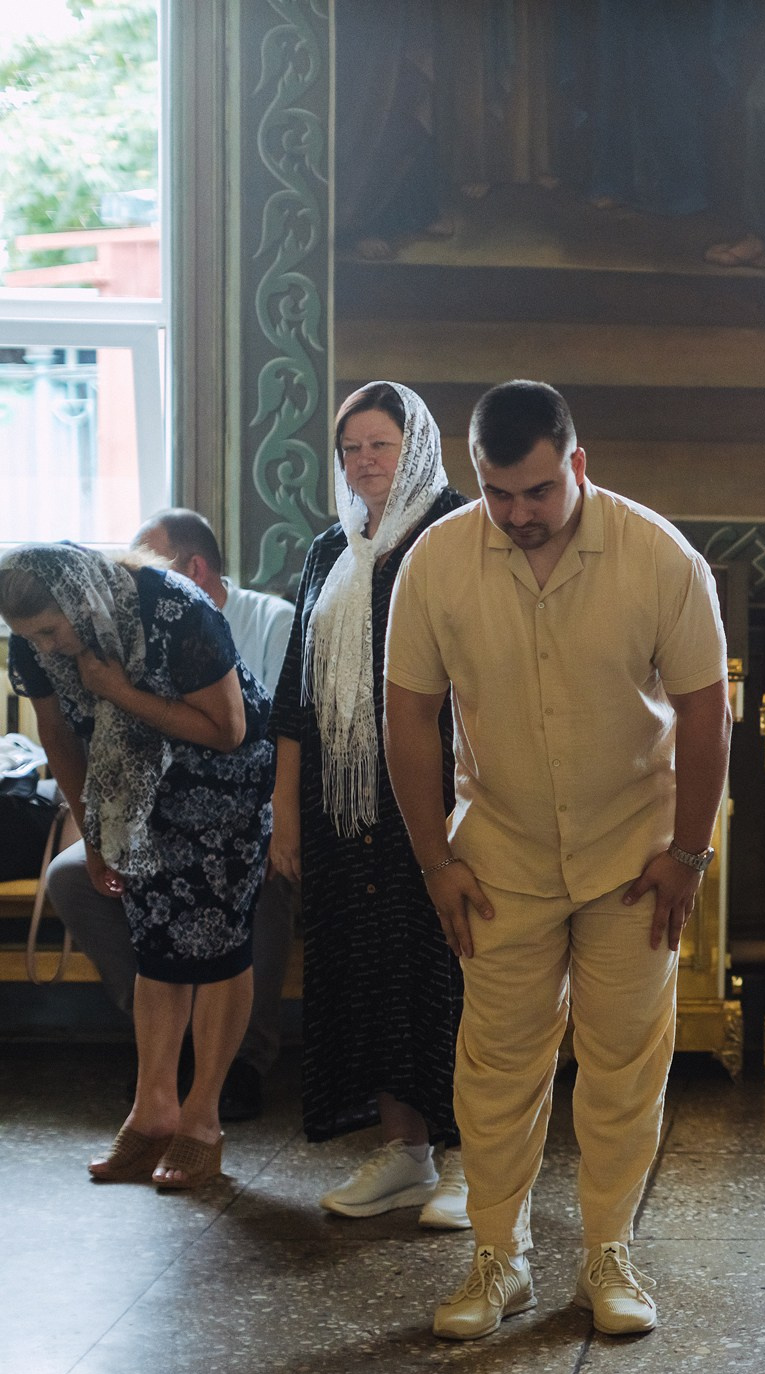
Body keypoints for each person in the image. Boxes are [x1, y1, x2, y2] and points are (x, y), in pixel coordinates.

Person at [383, 380, 730, 1341]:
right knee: (497, 1065)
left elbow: (707, 709)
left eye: (538, 491)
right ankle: (500, 1257)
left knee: (624, 1061)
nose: (519, 514)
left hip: (634, 857)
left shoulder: (661, 557)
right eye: (499, 494)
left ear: (577, 464)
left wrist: (690, 854)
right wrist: (433, 863)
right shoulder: (438, 562)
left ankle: (609, 1251)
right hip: (499, 854)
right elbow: (406, 712)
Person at [2, 542, 276, 1190]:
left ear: (81, 600)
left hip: (223, 785)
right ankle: (153, 1109)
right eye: (26, 636)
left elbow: (229, 728)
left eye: (49, 630)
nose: (43, 646)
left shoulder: (174, 610)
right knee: (155, 942)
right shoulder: (33, 644)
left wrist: (117, 689)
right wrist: (94, 835)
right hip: (134, 791)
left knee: (218, 947)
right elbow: (59, 736)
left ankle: (203, 1118)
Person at [272, 381, 470, 1228]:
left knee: (447, 971)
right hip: (342, 805)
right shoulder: (331, 550)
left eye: (379, 445)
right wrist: (285, 811)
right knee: (363, 967)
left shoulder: (460, 533)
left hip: (436, 795)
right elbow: (295, 695)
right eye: (351, 448)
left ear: (415, 445)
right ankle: (405, 1151)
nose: (363, 462)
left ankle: (472, 1160)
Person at [42, 509, 296, 1122]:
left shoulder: (273, 623)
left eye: (146, 567)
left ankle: (242, 1061)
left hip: (245, 809)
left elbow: (287, 733)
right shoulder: (127, 630)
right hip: (150, 815)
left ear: (194, 569)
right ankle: (170, 1047)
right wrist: (101, 832)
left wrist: (277, 822)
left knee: (252, 882)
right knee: (69, 876)